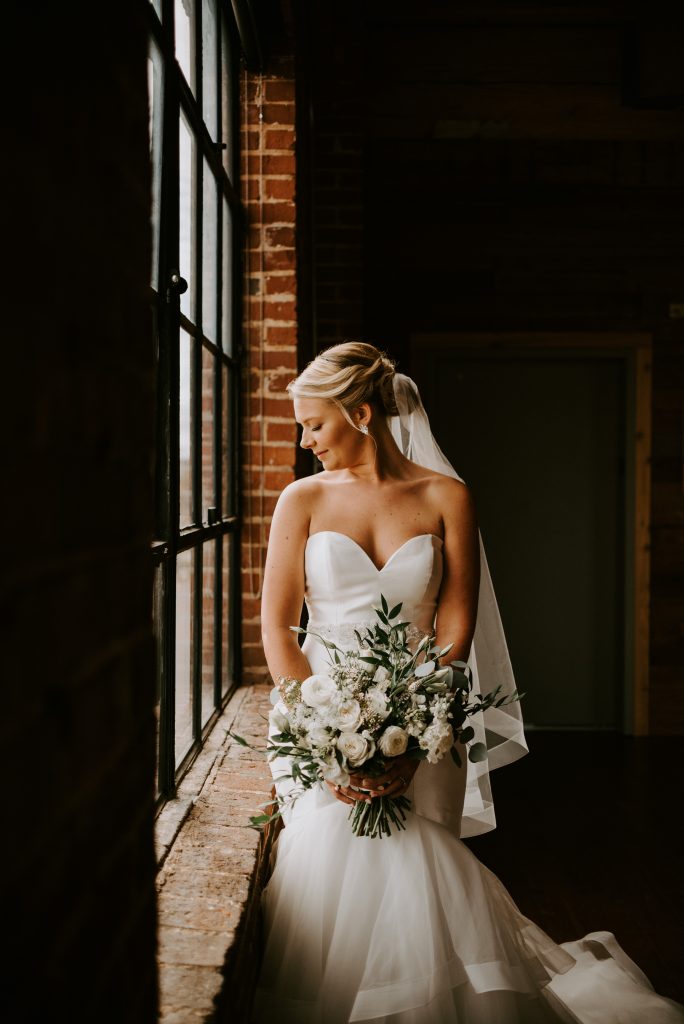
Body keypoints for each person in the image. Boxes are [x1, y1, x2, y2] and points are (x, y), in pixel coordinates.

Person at [251, 341, 684, 1024]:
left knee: (425, 878)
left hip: (426, 721)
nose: (306, 443)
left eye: (314, 425)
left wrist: (412, 732)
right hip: (320, 722)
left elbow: (454, 630)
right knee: (328, 875)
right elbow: (277, 628)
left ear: (361, 414)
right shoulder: (301, 501)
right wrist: (325, 734)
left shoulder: (447, 496)